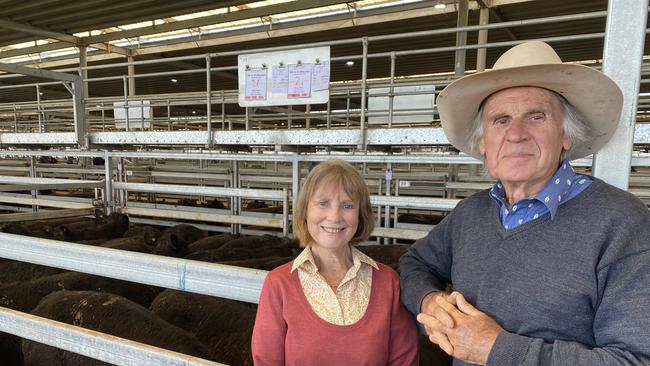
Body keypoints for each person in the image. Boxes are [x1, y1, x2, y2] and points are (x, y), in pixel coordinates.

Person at [399, 40, 650, 365]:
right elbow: (414, 264)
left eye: (536, 116)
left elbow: (635, 360)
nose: (516, 133)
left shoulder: (622, 224)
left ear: (566, 135)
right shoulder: (470, 214)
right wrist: (429, 300)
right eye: (500, 120)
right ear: (484, 143)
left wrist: (495, 349)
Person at [252, 159, 419, 365]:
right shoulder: (279, 284)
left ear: (360, 214)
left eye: (347, 205)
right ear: (305, 210)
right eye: (323, 203)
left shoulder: (388, 282)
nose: (334, 216)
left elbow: (404, 362)